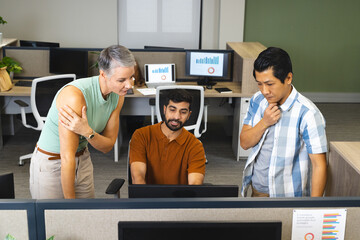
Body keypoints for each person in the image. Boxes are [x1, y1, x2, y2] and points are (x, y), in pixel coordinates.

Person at [29, 45, 136, 199]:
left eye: (131, 77)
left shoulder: (117, 95)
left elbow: (107, 146)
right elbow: (67, 157)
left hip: (83, 160)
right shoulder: (75, 97)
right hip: (53, 164)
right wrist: (70, 207)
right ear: (103, 74)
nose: (129, 85)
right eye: (122, 80)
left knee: (86, 217)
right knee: (57, 219)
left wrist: (87, 131)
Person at [240, 47, 327, 197]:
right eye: (259, 83)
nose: (264, 91)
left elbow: (319, 165)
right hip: (257, 191)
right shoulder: (257, 100)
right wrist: (264, 122)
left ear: (288, 78)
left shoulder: (308, 113)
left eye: (269, 84)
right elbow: (245, 143)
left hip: (288, 197)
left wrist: (314, 208)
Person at [129, 89, 206, 185]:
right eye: (172, 110)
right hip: (148, 197)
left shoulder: (195, 145)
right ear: (164, 110)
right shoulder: (142, 135)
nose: (177, 117)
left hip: (180, 198)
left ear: (189, 115)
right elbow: (138, 177)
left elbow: (195, 183)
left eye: (183, 112)